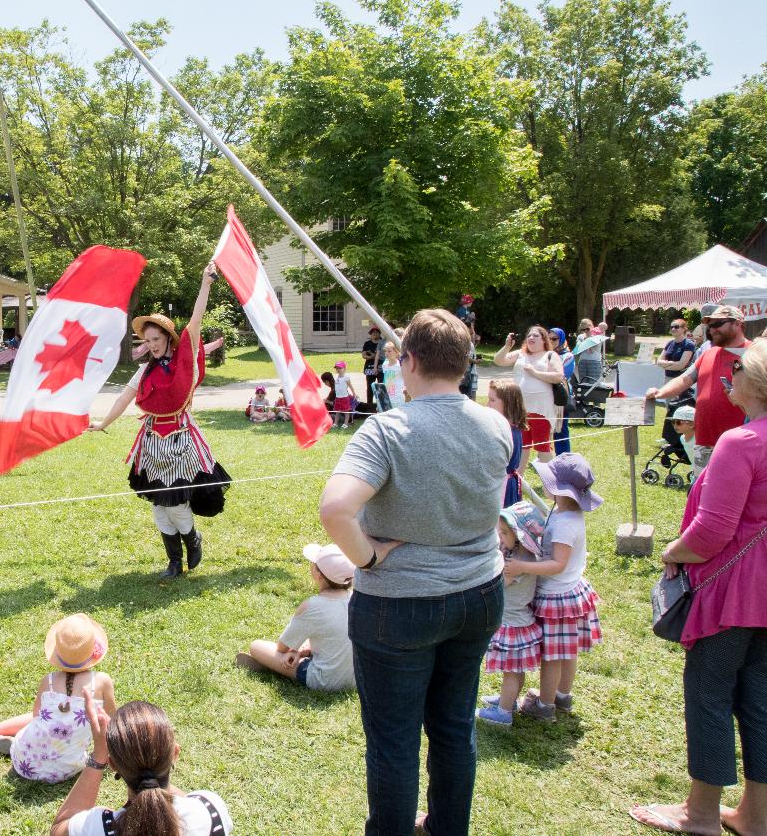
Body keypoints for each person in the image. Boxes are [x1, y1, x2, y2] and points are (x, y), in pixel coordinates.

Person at [319, 309, 510, 835]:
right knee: (453, 728)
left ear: (410, 361)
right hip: (479, 595)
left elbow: (335, 509)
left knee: (394, 739)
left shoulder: (389, 428)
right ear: (465, 363)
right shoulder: (496, 424)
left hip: (400, 605)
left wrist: (368, 558)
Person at [629, 337, 767, 836]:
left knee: (710, 695)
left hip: (731, 594)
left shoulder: (741, 442)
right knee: (759, 698)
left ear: (755, 384)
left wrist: (671, 552)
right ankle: (755, 815)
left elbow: (712, 533)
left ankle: (702, 813)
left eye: (738, 371)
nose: (729, 378)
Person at [88, 263, 231, 578]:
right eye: (147, 340)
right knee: (157, 506)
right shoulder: (145, 371)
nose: (151, 344)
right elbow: (124, 398)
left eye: (156, 338)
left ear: (167, 337)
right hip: (151, 443)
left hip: (180, 441)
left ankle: (193, 539)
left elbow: (195, 321)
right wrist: (103, 423)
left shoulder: (182, 362)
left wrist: (205, 282)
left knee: (177, 504)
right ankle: (174, 562)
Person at [504, 453, 603, 722]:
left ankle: (545, 705)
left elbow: (557, 564)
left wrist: (523, 567)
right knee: (566, 650)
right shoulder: (566, 513)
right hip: (571, 591)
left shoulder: (564, 524)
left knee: (553, 656)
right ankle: (562, 695)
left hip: (557, 596)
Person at [0, 613, 118, 783]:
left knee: (45, 715)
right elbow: (113, 722)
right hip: (66, 769)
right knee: (55, 718)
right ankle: (23, 744)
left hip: (24, 762)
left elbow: (36, 716)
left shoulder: (49, 681)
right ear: (94, 651)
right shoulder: (102, 681)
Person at [49, 697, 233, 836]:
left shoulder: (98, 827)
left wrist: (99, 755)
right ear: (175, 753)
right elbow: (178, 800)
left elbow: (60, 827)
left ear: (112, 765)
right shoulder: (211, 809)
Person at [646, 305, 751, 476]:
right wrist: (660, 393)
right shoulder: (708, 354)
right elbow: (684, 379)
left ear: (737, 324)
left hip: (740, 442)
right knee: (702, 487)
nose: (712, 329)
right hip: (704, 439)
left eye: (718, 324)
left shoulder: (756, 354)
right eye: (710, 325)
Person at [235, 543, 356, 692]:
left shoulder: (312, 606)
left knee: (256, 646)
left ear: (319, 574)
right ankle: (277, 665)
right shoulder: (358, 599)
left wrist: (293, 650)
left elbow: (281, 647)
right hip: (356, 679)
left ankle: (272, 667)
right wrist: (301, 649)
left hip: (324, 681)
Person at [476, 502, 547, 727]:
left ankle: (504, 712)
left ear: (519, 536)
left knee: (510, 671)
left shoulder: (517, 563)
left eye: (505, 533)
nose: (500, 535)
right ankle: (510, 700)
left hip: (511, 623)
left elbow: (499, 585)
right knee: (516, 670)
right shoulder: (525, 555)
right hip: (522, 622)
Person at [494, 326, 563, 472]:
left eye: (535, 336)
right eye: (529, 335)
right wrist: (507, 346)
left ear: (544, 340)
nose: (531, 338)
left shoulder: (550, 355)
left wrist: (535, 372)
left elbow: (558, 377)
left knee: (542, 446)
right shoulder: (520, 354)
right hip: (520, 409)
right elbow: (499, 361)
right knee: (522, 446)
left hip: (541, 410)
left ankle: (555, 484)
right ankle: (518, 483)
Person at [487, 379, 528, 508]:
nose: (487, 405)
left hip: (502, 488)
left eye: (492, 400)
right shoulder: (508, 428)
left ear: (508, 404)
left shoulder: (507, 431)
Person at [551, 327, 575, 455]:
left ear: (561, 339)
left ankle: (564, 456)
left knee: (561, 429)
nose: (551, 341)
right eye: (548, 338)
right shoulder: (545, 354)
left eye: (554, 339)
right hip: (546, 396)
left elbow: (563, 375)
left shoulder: (568, 356)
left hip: (560, 396)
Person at [658, 318, 696, 399]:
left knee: (678, 407)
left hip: (681, 381)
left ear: (684, 329)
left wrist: (665, 365)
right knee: (668, 406)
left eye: (676, 327)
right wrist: (672, 364)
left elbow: (681, 365)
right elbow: (659, 362)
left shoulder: (689, 344)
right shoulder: (669, 343)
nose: (673, 329)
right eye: (671, 327)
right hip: (667, 379)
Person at [575, 318, 605, 385]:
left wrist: (590, 338)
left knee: (594, 384)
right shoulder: (580, 337)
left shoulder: (598, 336)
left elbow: (595, 348)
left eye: (587, 329)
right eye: (583, 329)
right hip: (582, 361)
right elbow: (578, 349)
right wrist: (584, 340)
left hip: (594, 362)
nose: (585, 331)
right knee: (583, 383)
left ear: (592, 326)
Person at [379, 342, 405, 410]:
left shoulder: (400, 366)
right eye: (385, 351)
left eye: (389, 351)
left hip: (398, 398)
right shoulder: (384, 365)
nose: (386, 353)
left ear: (396, 352)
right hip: (387, 397)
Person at [332, 360, 357, 428]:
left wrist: (354, 393)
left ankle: (346, 423)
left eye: (340, 368)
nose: (338, 369)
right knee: (337, 411)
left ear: (344, 369)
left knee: (346, 411)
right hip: (338, 397)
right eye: (337, 368)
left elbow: (350, 386)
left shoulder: (346, 378)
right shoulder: (336, 378)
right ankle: (335, 423)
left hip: (345, 397)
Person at [361, 326, 382, 405]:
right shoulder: (367, 343)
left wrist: (372, 355)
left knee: (380, 387)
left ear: (379, 334)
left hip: (380, 368)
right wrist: (373, 356)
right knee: (370, 387)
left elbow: (383, 355)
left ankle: (381, 404)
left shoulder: (383, 342)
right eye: (373, 333)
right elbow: (363, 355)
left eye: (376, 333)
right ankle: (369, 405)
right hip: (369, 367)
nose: (374, 334)